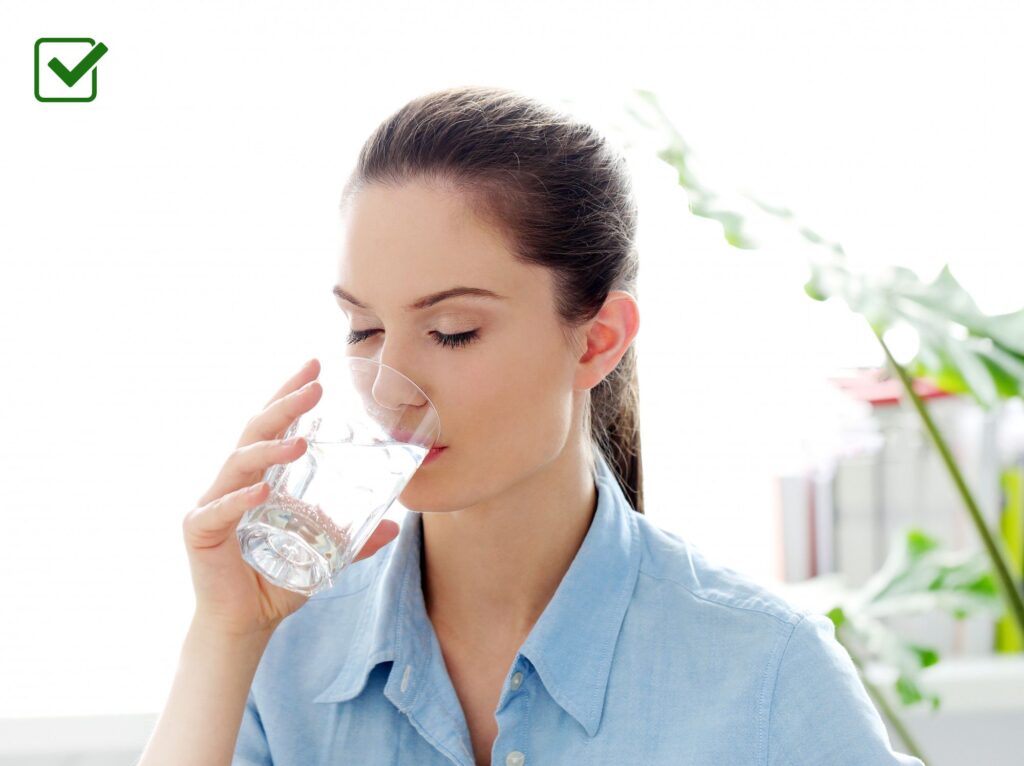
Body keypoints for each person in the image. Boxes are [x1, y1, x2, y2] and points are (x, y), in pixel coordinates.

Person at [138, 85, 925, 766]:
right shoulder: (286, 651)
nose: (389, 389)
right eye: (363, 330)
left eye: (451, 331)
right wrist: (225, 631)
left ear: (597, 340)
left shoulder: (761, 674)